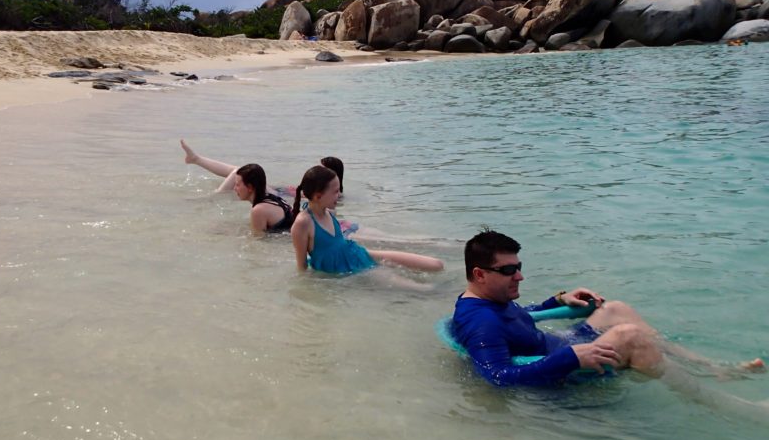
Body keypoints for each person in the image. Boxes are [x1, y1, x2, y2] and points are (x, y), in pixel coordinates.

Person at [451, 230, 766, 390]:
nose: (519, 276)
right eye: (508, 271)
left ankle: (710, 368)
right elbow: (496, 377)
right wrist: (568, 359)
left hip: (562, 347)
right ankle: (714, 401)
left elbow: (519, 317)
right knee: (629, 335)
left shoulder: (490, 301)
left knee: (616, 309)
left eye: (519, 267)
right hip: (560, 362)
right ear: (480, 274)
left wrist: (558, 300)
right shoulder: (480, 321)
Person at [290, 164, 444, 274]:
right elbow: (302, 269)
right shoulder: (303, 223)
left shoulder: (328, 212)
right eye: (336, 191)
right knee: (423, 290)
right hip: (353, 271)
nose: (339, 195)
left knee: (436, 265)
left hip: (359, 254)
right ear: (318, 196)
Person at [180, 139, 356, 235]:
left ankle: (212, 190)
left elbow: (259, 241)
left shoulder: (330, 196)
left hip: (282, 200)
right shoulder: (267, 203)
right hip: (282, 194)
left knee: (236, 171)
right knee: (236, 171)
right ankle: (197, 160)